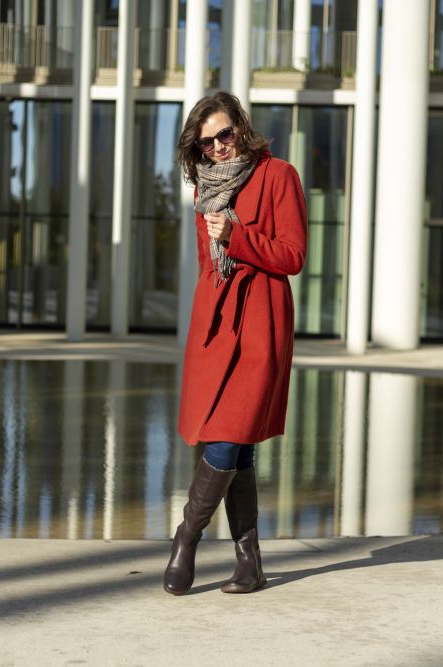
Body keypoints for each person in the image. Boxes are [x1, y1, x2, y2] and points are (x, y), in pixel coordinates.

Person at [163, 91, 307, 595]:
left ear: (240, 127)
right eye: (207, 143)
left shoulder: (278, 175)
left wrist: (238, 236)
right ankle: (250, 564)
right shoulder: (205, 189)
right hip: (217, 326)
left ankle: (186, 539)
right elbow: (209, 268)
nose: (219, 148)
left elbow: (292, 256)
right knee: (235, 445)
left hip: (261, 324)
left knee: (228, 434)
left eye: (224, 134)